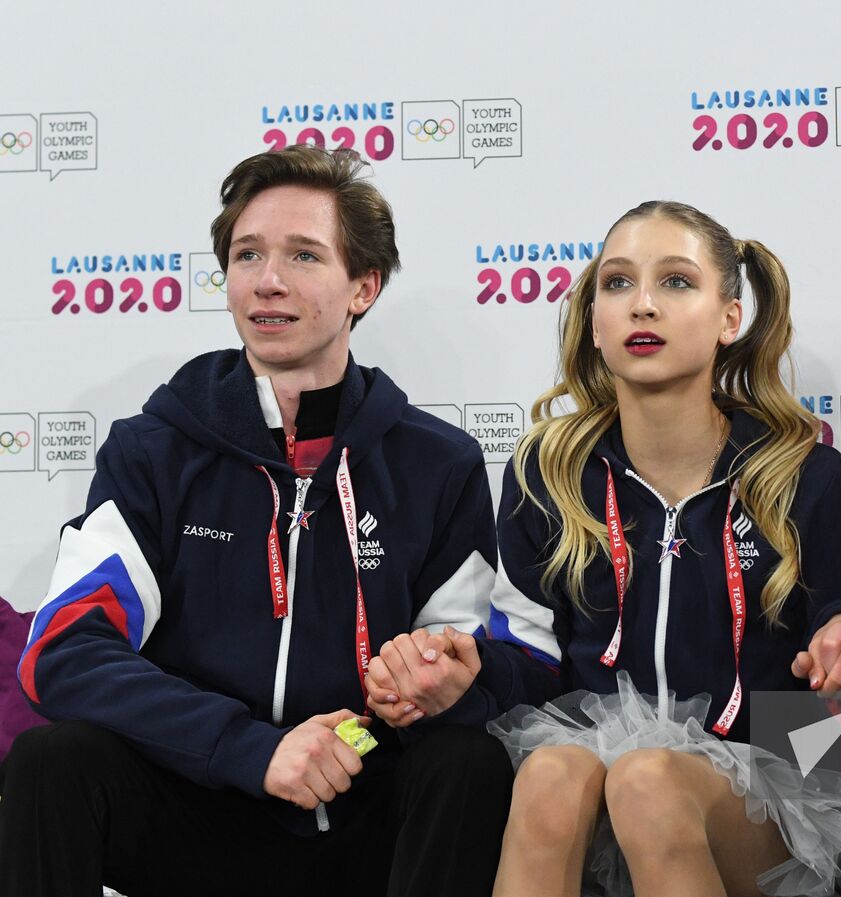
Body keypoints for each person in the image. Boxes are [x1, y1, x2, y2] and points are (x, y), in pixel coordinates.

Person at [0, 145, 522, 897]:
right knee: (53, 762)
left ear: (363, 287)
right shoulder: (153, 450)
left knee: (466, 763)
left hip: (361, 815)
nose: (268, 280)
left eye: (304, 255)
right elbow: (64, 648)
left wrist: (432, 688)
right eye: (248, 255)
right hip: (196, 801)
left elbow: (463, 661)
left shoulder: (435, 464)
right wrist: (245, 747)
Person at [463, 201, 841, 897]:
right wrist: (461, 665)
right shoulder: (546, 470)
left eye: (677, 282)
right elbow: (528, 657)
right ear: (593, 323)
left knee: (648, 778)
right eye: (617, 284)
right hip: (591, 775)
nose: (642, 304)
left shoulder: (801, 470)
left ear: (729, 318)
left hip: (771, 791)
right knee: (549, 769)